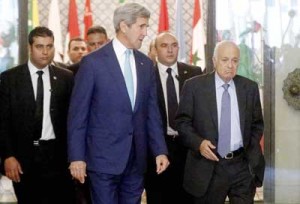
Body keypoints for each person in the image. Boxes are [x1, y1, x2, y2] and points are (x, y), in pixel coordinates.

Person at [68, 3, 169, 204]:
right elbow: (78, 115)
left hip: (136, 161)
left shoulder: (146, 64)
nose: (145, 33)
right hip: (102, 160)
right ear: (124, 26)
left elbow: (151, 112)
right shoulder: (93, 63)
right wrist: (76, 157)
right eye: (141, 26)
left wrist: (160, 150)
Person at [176, 40, 265, 204]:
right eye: (225, 60)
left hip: (241, 166)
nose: (230, 65)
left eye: (235, 60)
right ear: (214, 61)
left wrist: (248, 152)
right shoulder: (194, 87)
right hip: (208, 166)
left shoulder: (249, 88)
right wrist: (199, 143)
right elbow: (182, 123)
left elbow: (257, 124)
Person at [0, 26, 75, 204]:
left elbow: (73, 119)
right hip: (25, 157)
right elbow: (3, 121)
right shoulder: (10, 78)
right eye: (40, 46)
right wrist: (8, 156)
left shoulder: (66, 77)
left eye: (49, 46)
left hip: (58, 156)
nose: (45, 51)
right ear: (30, 48)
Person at [144, 31, 203, 204]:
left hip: (188, 148)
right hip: (158, 148)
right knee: (159, 196)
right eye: (164, 46)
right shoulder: (146, 76)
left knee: (188, 197)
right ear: (155, 50)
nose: (170, 50)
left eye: (174, 45)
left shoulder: (194, 72)